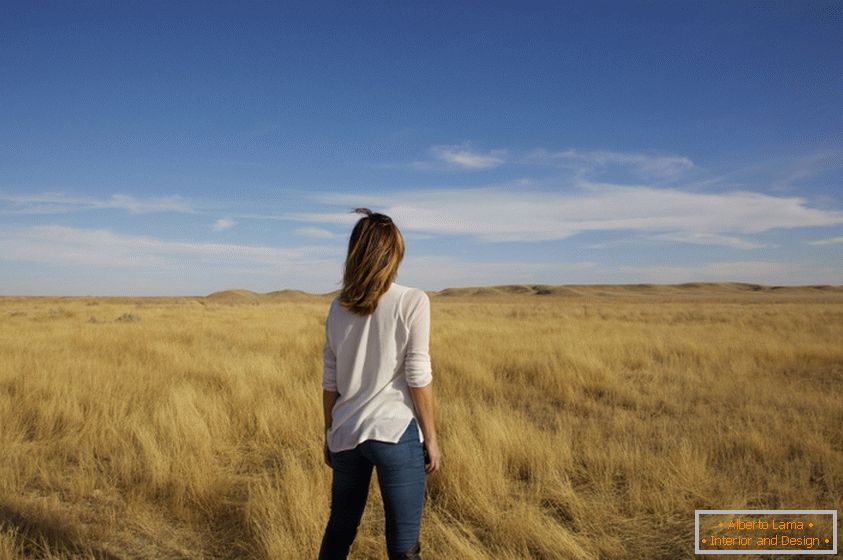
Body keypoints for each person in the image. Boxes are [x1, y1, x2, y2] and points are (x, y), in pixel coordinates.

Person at [318, 208, 441, 560]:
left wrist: (329, 432)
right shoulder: (413, 300)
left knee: (340, 529)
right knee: (403, 547)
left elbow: (331, 379)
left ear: (356, 253)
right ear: (393, 254)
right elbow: (418, 374)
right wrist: (431, 439)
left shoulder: (338, 306)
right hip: (395, 433)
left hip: (346, 433)